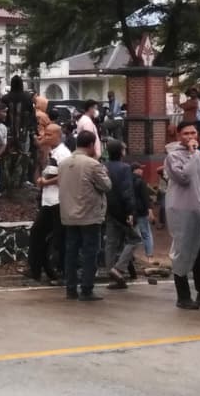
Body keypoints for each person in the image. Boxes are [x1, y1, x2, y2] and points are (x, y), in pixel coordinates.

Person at [164, 121, 200, 310]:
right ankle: (183, 295)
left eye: (193, 133)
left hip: (199, 210)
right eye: (186, 133)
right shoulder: (173, 157)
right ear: (179, 135)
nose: (190, 137)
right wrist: (194, 155)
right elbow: (184, 178)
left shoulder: (199, 156)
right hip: (182, 211)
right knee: (182, 253)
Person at [57, 129, 111, 302]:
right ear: (91, 145)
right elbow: (107, 186)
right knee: (90, 253)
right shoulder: (92, 164)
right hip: (89, 215)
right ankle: (87, 289)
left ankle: (70, 288)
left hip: (68, 215)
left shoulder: (64, 163)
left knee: (71, 252)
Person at [26, 123, 69, 283]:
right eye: (45, 134)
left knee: (58, 239)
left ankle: (60, 272)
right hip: (47, 201)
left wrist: (47, 183)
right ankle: (36, 269)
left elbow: (65, 175)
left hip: (58, 201)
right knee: (37, 233)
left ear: (59, 136)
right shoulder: (49, 153)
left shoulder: (63, 154)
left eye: (50, 135)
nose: (46, 137)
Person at [103, 139, 140, 290]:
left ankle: (112, 276)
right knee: (135, 239)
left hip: (108, 209)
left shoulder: (103, 167)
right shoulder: (125, 168)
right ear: (121, 152)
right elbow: (127, 191)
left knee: (111, 243)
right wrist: (130, 211)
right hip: (122, 210)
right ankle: (118, 268)